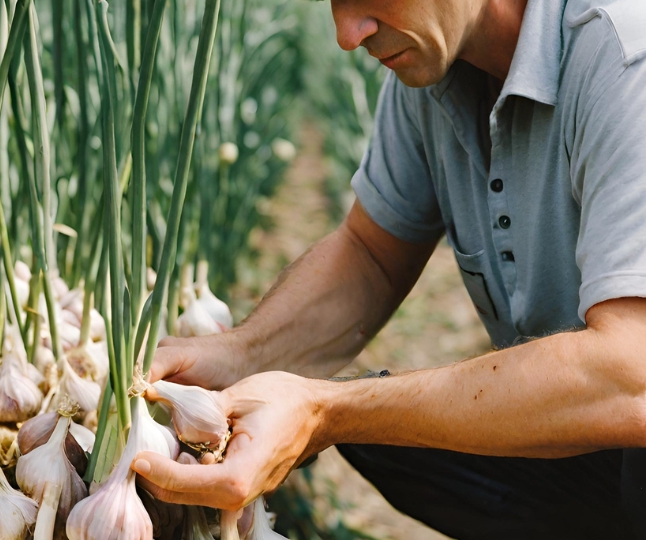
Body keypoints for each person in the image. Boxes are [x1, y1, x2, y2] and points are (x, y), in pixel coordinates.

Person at [130, 0, 646, 538]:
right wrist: (243, 353)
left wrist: (328, 410)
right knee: (379, 436)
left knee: (359, 415)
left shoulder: (624, 54)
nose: (348, 36)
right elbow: (371, 256)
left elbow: (631, 374)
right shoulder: (439, 69)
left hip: (629, 419)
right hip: (599, 430)